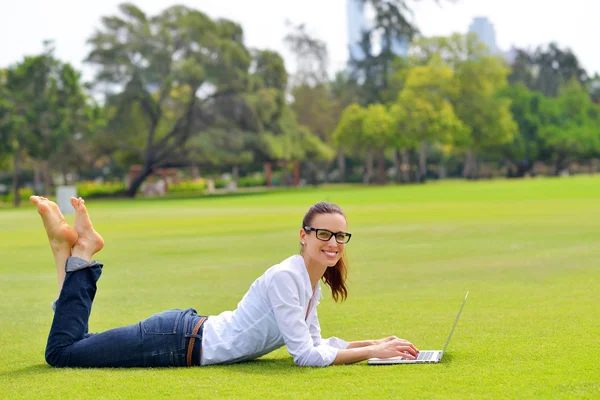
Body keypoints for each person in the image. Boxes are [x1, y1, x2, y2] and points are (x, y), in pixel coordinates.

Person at [30, 195, 419, 368]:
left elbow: (315, 345)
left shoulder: (308, 283)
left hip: (185, 336)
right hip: (177, 342)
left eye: (339, 236)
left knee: (74, 345)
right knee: (62, 353)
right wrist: (370, 353)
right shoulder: (288, 277)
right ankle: (79, 251)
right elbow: (305, 357)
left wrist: (377, 344)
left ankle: (67, 252)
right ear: (304, 235)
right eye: (324, 234)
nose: (333, 244)